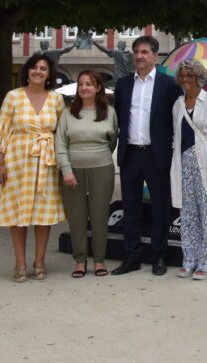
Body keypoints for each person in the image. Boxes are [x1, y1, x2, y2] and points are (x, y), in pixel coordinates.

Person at [0, 53, 65, 282]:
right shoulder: (13, 97)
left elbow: (62, 132)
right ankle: (20, 263)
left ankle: (39, 261)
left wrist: (63, 162)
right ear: (27, 71)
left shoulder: (56, 99)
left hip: (46, 162)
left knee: (43, 214)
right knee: (18, 213)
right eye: (34, 67)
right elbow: (1, 129)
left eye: (43, 68)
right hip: (17, 160)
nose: (38, 71)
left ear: (49, 74)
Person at [112, 36, 182, 276]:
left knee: (161, 208)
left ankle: (158, 256)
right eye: (136, 52)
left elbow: (176, 122)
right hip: (130, 154)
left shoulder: (169, 85)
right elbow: (119, 118)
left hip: (157, 155)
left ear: (155, 55)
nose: (139, 56)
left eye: (144, 52)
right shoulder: (122, 85)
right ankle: (131, 257)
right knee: (131, 209)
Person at [170, 58, 207, 280]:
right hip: (183, 163)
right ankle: (190, 260)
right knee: (188, 214)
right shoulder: (177, 104)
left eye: (189, 75)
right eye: (182, 75)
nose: (185, 79)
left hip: (206, 162)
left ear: (198, 77)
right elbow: (176, 136)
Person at [56, 70, 118, 278]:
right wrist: (66, 170)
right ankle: (80, 261)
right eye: (81, 84)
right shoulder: (67, 113)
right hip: (72, 172)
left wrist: (96, 157)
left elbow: (112, 142)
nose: (84, 88)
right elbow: (60, 144)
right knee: (77, 217)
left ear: (98, 87)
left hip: (102, 169)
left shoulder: (109, 112)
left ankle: (99, 260)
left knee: (100, 217)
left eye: (89, 84)